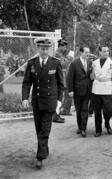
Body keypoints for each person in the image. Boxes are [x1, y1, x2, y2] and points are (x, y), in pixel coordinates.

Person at [22, 38, 64, 169]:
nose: (44, 51)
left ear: (49, 49)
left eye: (46, 48)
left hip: (50, 101)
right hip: (37, 101)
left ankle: (40, 156)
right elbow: (27, 82)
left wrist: (59, 101)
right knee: (39, 128)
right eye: (42, 48)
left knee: (45, 128)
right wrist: (25, 98)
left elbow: (61, 85)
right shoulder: (32, 63)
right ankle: (44, 148)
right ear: (38, 49)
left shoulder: (55, 63)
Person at [91, 46, 112, 137]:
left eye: (107, 51)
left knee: (108, 111)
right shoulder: (94, 63)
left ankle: (107, 123)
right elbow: (92, 76)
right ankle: (98, 130)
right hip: (97, 88)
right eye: (104, 51)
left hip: (107, 89)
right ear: (99, 52)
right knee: (97, 111)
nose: (106, 53)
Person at [67, 47, 92, 137]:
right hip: (77, 91)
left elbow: (90, 76)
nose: (88, 54)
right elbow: (70, 78)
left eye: (88, 52)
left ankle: (83, 128)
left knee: (85, 109)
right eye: (86, 52)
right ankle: (79, 126)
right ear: (81, 52)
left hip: (87, 90)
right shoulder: (74, 63)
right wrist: (70, 90)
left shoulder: (90, 63)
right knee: (79, 110)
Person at [55, 39, 73, 116]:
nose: (65, 49)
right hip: (61, 76)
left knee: (67, 94)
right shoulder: (57, 54)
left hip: (64, 76)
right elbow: (63, 64)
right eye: (64, 47)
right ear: (60, 46)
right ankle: (61, 111)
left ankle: (65, 110)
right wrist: (70, 58)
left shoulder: (62, 54)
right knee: (63, 94)